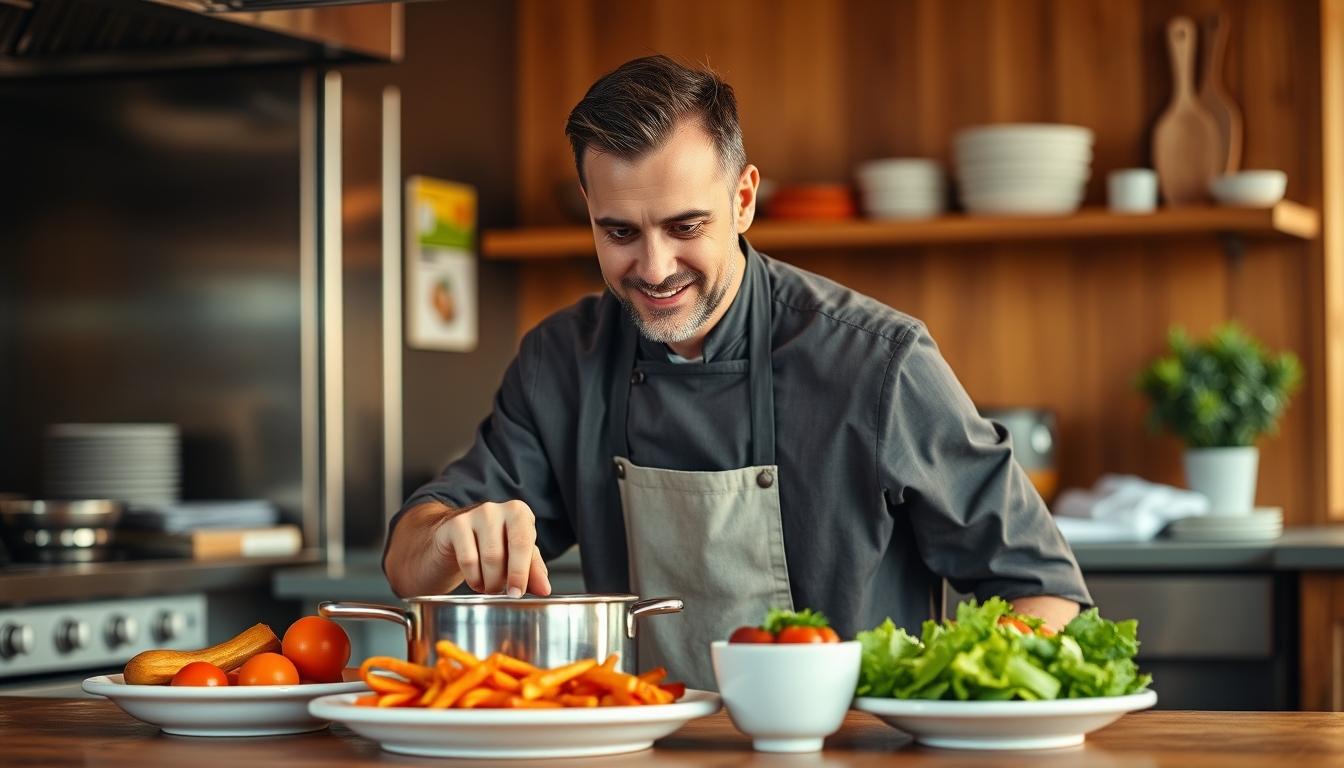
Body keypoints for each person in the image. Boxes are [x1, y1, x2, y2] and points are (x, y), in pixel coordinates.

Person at [384, 55, 1090, 690]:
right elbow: (411, 558)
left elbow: (1045, 588)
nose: (654, 269)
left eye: (685, 227)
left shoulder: (877, 362)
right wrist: (446, 537)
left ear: (744, 199)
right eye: (620, 232)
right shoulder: (561, 361)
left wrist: (968, 695)